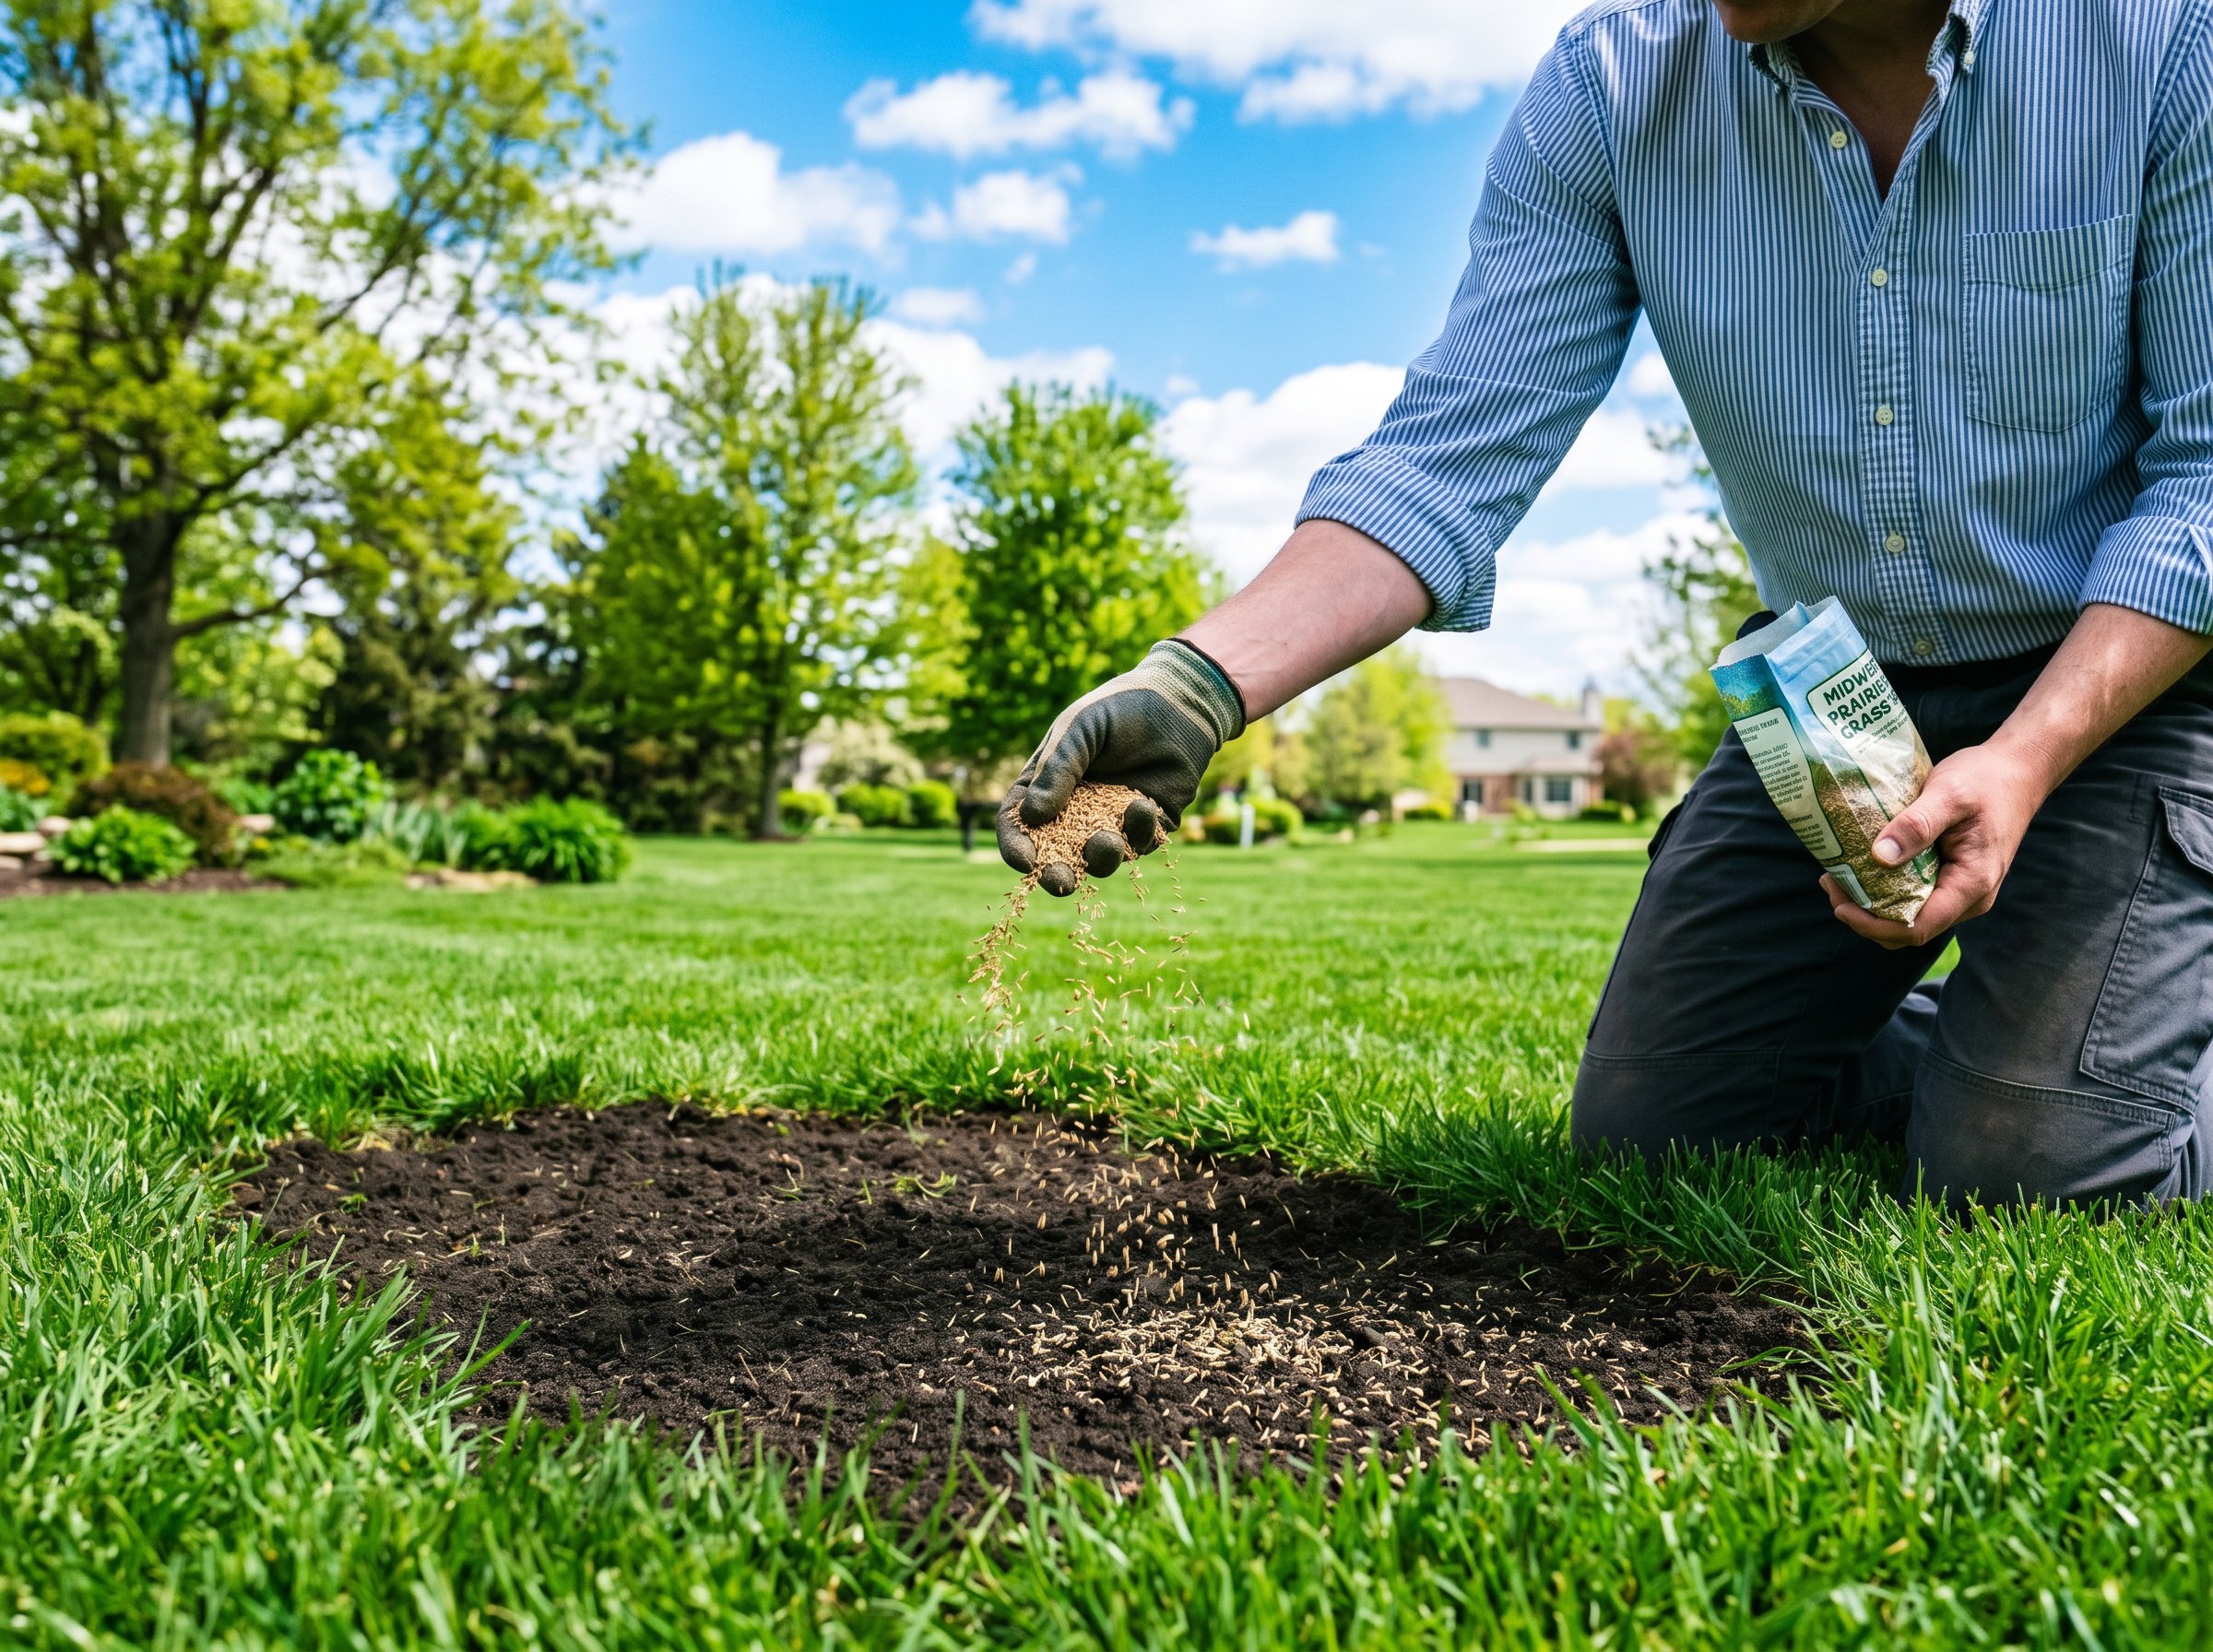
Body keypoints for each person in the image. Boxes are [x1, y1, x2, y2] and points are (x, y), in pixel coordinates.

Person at [996, 0, 2213, 1210]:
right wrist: (1200, 686)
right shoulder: (1613, 82)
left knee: (2022, 1170)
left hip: (2129, 687)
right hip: (1839, 691)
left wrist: (2028, 755)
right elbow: (1448, 458)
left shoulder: (2163, 39)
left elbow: (2204, 477)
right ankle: (2035, 1050)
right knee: (1663, 1138)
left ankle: (2087, 1065)